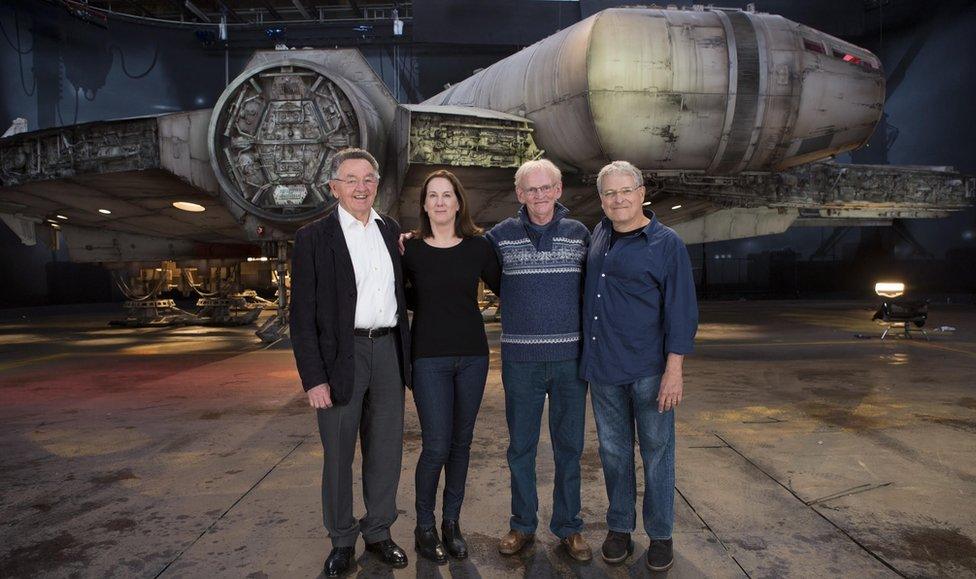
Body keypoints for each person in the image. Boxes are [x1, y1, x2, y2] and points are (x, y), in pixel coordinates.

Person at [289, 148, 412, 577]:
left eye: (368, 179)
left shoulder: (390, 230)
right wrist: (313, 378)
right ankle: (341, 538)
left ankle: (378, 532)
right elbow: (301, 316)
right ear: (334, 187)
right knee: (338, 453)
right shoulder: (312, 238)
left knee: (385, 450)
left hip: (388, 351)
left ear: (378, 184)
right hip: (341, 356)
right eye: (351, 179)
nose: (361, 187)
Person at [580, 161, 698, 572]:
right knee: (613, 454)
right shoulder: (599, 235)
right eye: (610, 194)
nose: (619, 199)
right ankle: (619, 528)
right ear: (602, 200)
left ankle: (661, 535)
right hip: (603, 368)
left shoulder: (666, 244)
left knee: (657, 454)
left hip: (650, 371)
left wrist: (674, 370)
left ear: (642, 191)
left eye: (625, 191)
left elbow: (682, 312)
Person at [487, 159, 593, 562]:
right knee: (521, 449)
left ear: (559, 189)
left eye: (546, 187)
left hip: (569, 360)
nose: (539, 195)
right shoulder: (500, 237)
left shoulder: (579, 235)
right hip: (521, 361)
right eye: (531, 189)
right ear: (519, 194)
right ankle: (522, 525)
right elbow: (468, 260)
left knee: (569, 447)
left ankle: (569, 527)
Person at [401, 170, 501, 564]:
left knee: (461, 444)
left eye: (448, 195)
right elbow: (397, 296)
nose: (440, 202)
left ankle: (451, 524)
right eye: (433, 196)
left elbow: (509, 287)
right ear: (424, 205)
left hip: (473, 357)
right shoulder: (410, 250)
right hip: (429, 358)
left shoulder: (478, 247)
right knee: (436, 445)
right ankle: (423, 526)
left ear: (459, 202)